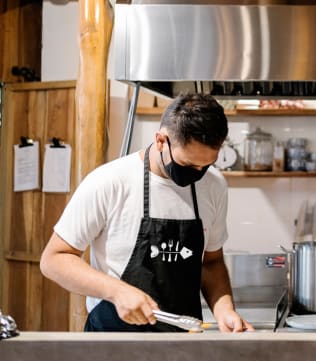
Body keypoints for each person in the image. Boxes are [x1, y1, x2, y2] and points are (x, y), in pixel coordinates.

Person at [40, 93, 253, 332]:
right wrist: (117, 291)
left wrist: (224, 309)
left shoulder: (214, 185)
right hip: (113, 340)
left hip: (183, 341)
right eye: (188, 165)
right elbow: (54, 259)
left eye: (207, 165)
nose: (199, 172)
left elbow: (211, 263)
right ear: (161, 140)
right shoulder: (109, 182)